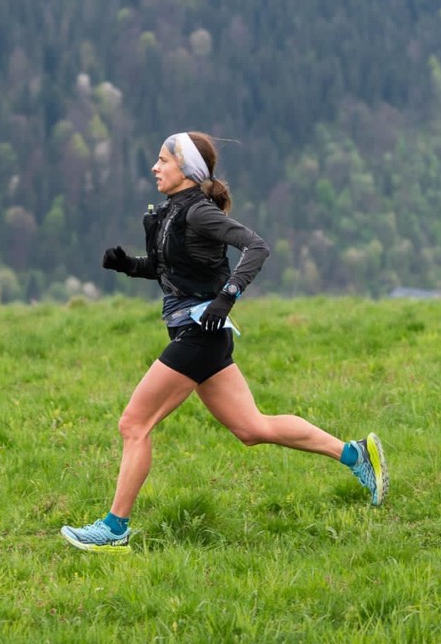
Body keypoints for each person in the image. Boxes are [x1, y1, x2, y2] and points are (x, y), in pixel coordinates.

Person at [60, 131, 388, 553]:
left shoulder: (199, 213)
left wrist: (227, 297)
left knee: (133, 423)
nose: (154, 168)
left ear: (187, 169)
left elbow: (257, 247)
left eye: (163, 160)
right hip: (198, 334)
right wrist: (128, 266)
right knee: (252, 428)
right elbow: (169, 271)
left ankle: (114, 529)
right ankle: (356, 455)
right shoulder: (171, 213)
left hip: (200, 334)